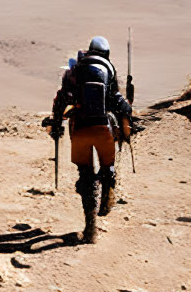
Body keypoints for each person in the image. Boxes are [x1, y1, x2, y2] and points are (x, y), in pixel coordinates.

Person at [50, 37, 131, 244]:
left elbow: (62, 98)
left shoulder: (74, 71)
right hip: (104, 128)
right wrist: (128, 114)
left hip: (80, 129)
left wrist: (56, 123)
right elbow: (117, 100)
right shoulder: (109, 71)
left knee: (85, 175)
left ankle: (90, 229)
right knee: (108, 165)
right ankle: (108, 183)